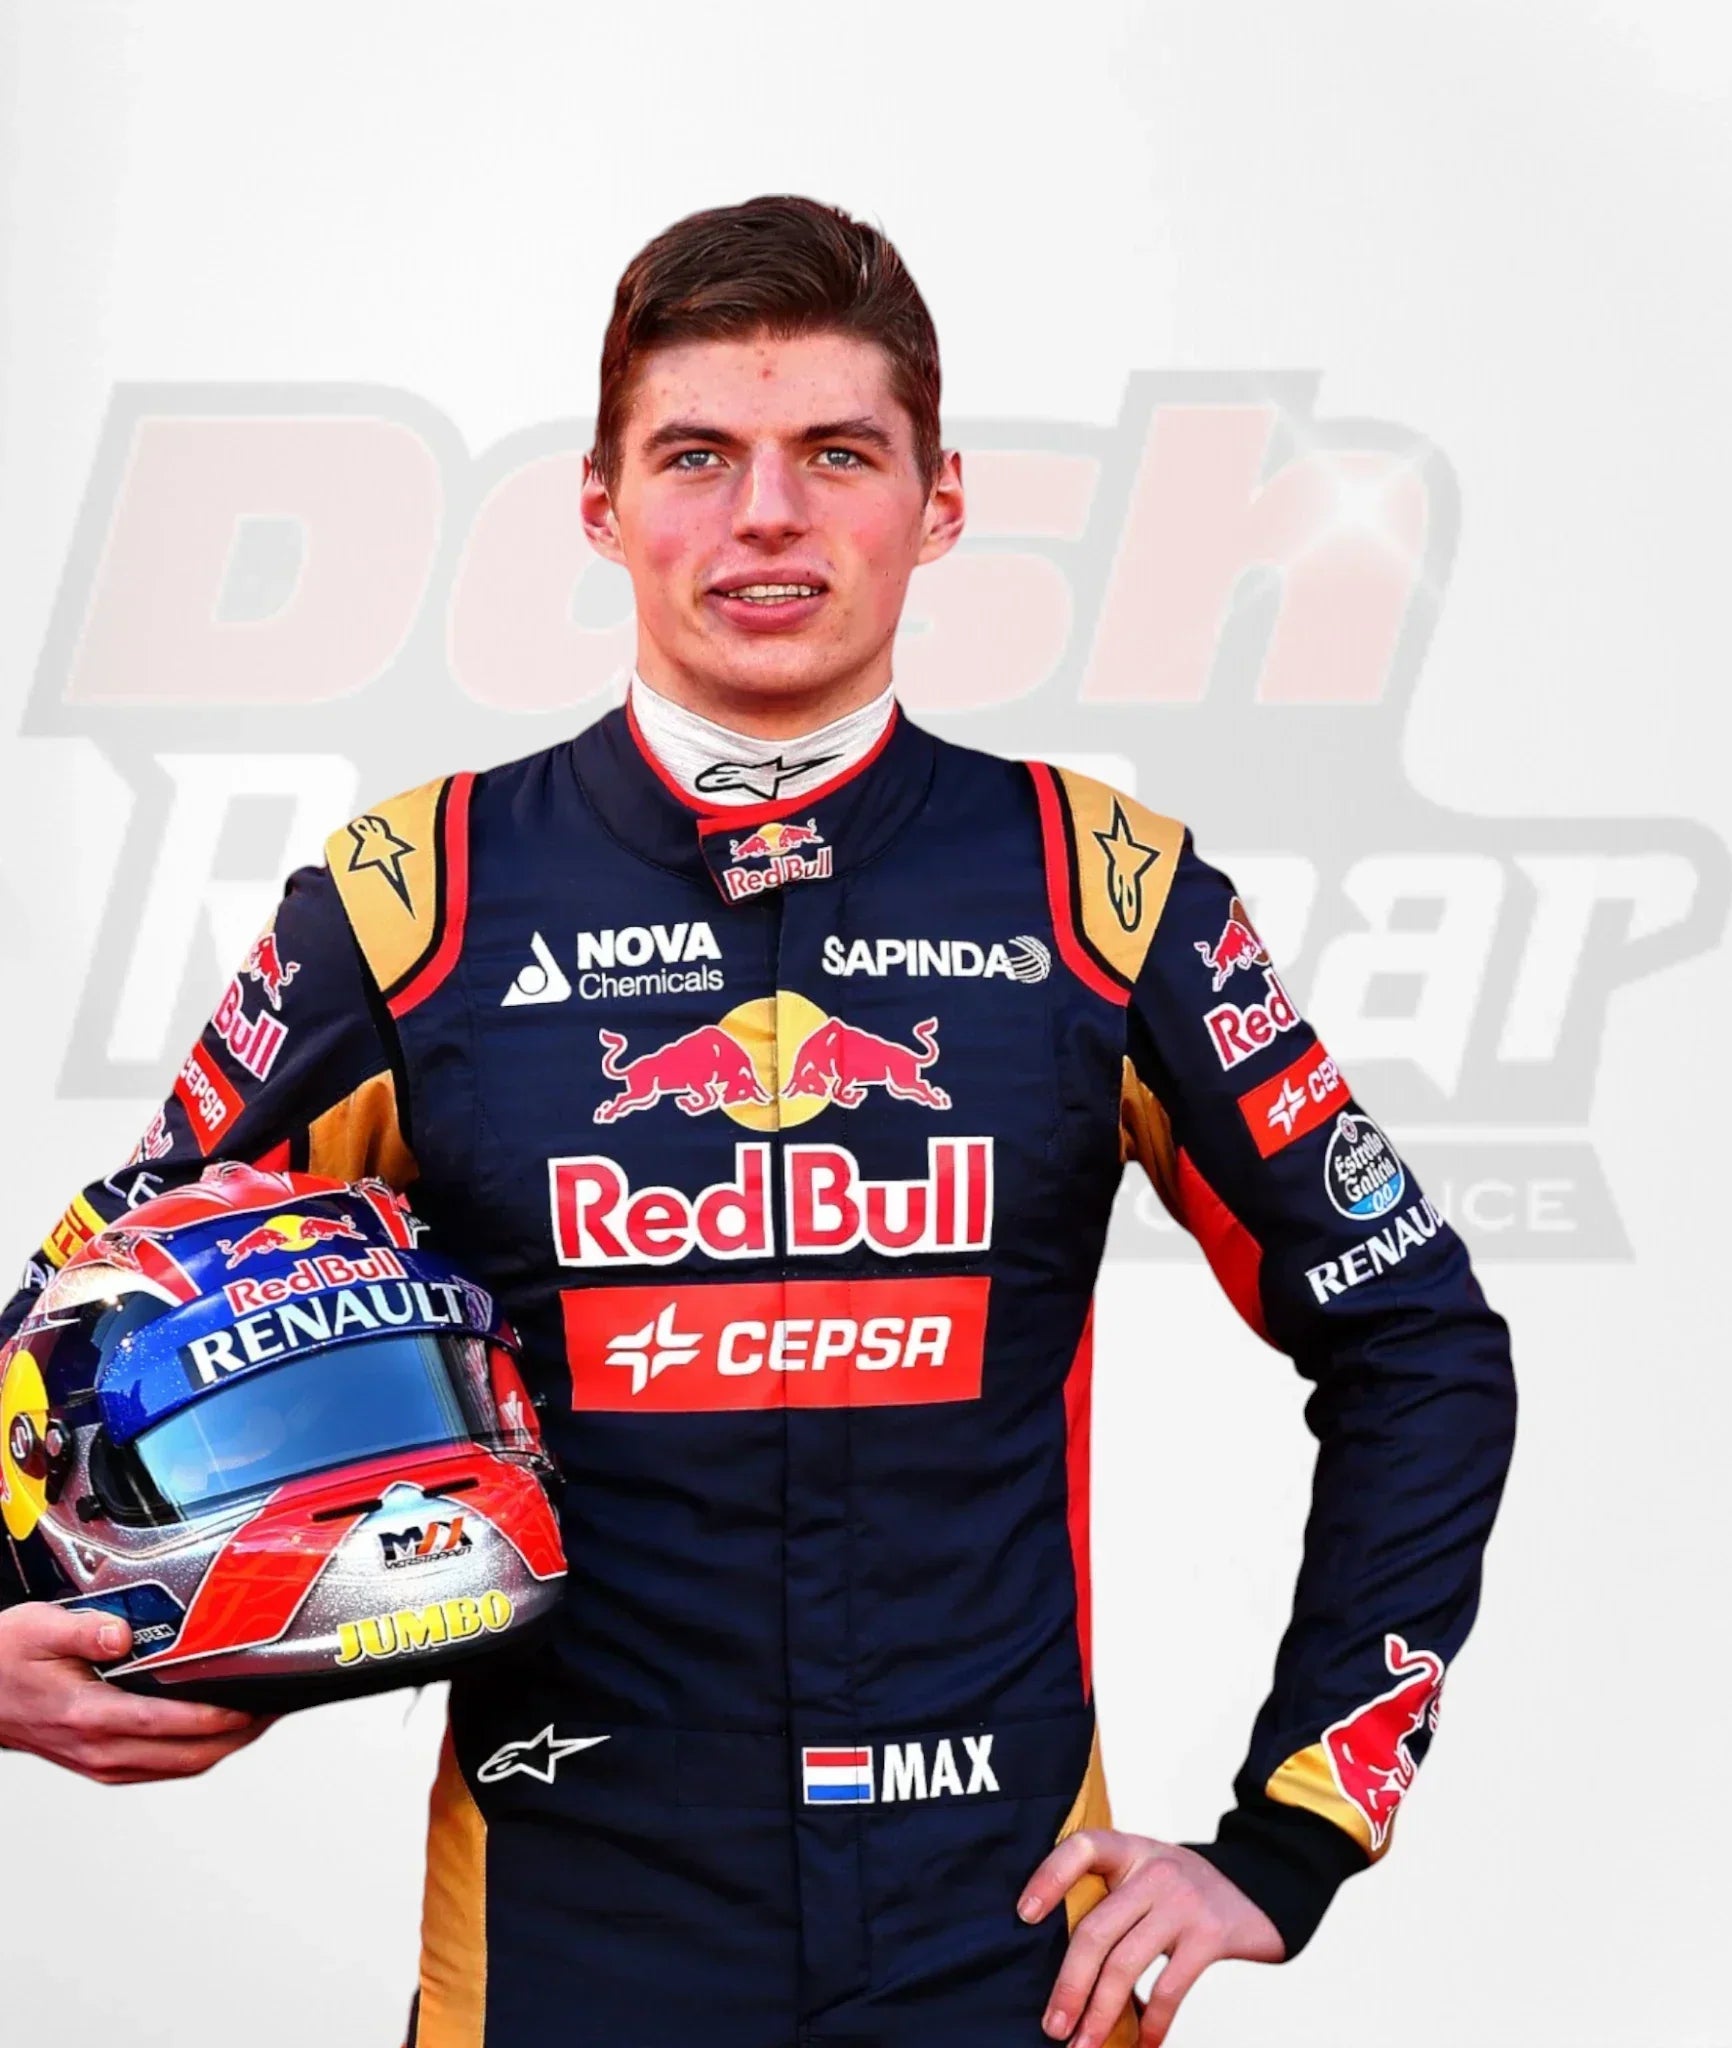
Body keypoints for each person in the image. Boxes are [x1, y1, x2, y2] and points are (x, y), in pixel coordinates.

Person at [0, 196, 1517, 2048]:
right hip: (569, 1934)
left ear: (938, 504)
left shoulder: (1105, 892)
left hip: (1006, 1942)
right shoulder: (415, 900)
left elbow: (1419, 1338)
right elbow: (89, 1328)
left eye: (840, 455)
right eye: (699, 455)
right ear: (601, 504)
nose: (769, 515)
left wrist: (1294, 1836)